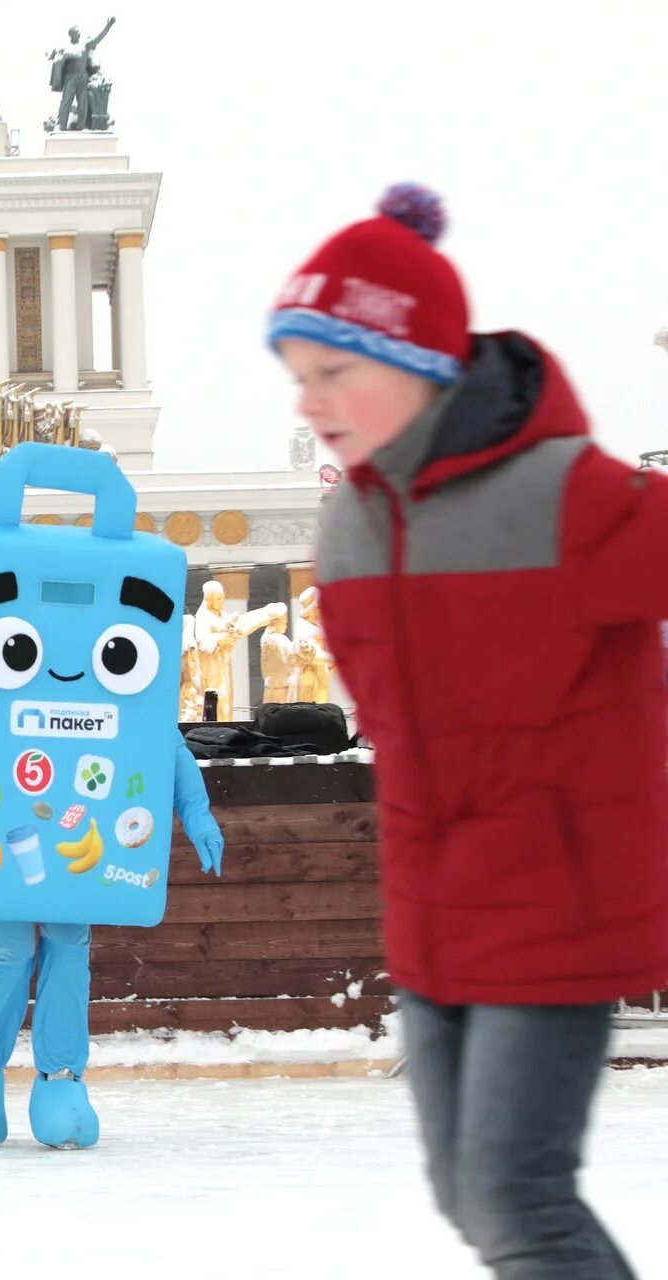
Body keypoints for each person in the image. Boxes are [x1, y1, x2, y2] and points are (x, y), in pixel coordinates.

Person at [270, 183, 668, 1277]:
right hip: (434, 914)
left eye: (335, 370)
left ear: (423, 360)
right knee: (467, 1195)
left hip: (559, 904)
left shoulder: (564, 492)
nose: (311, 400)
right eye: (299, 376)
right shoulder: (348, 526)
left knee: (517, 1197)